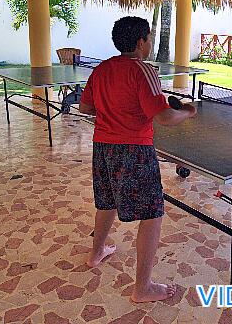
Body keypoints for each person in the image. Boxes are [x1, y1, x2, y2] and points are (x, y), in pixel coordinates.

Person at [78, 16, 197, 303]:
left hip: (103, 148)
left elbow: (84, 108)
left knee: (106, 201)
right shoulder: (143, 71)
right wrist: (188, 112)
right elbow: (165, 118)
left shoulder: (102, 69)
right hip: (134, 150)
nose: (150, 43)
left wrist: (113, 114)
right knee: (153, 214)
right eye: (149, 38)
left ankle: (96, 254)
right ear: (141, 41)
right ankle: (142, 288)